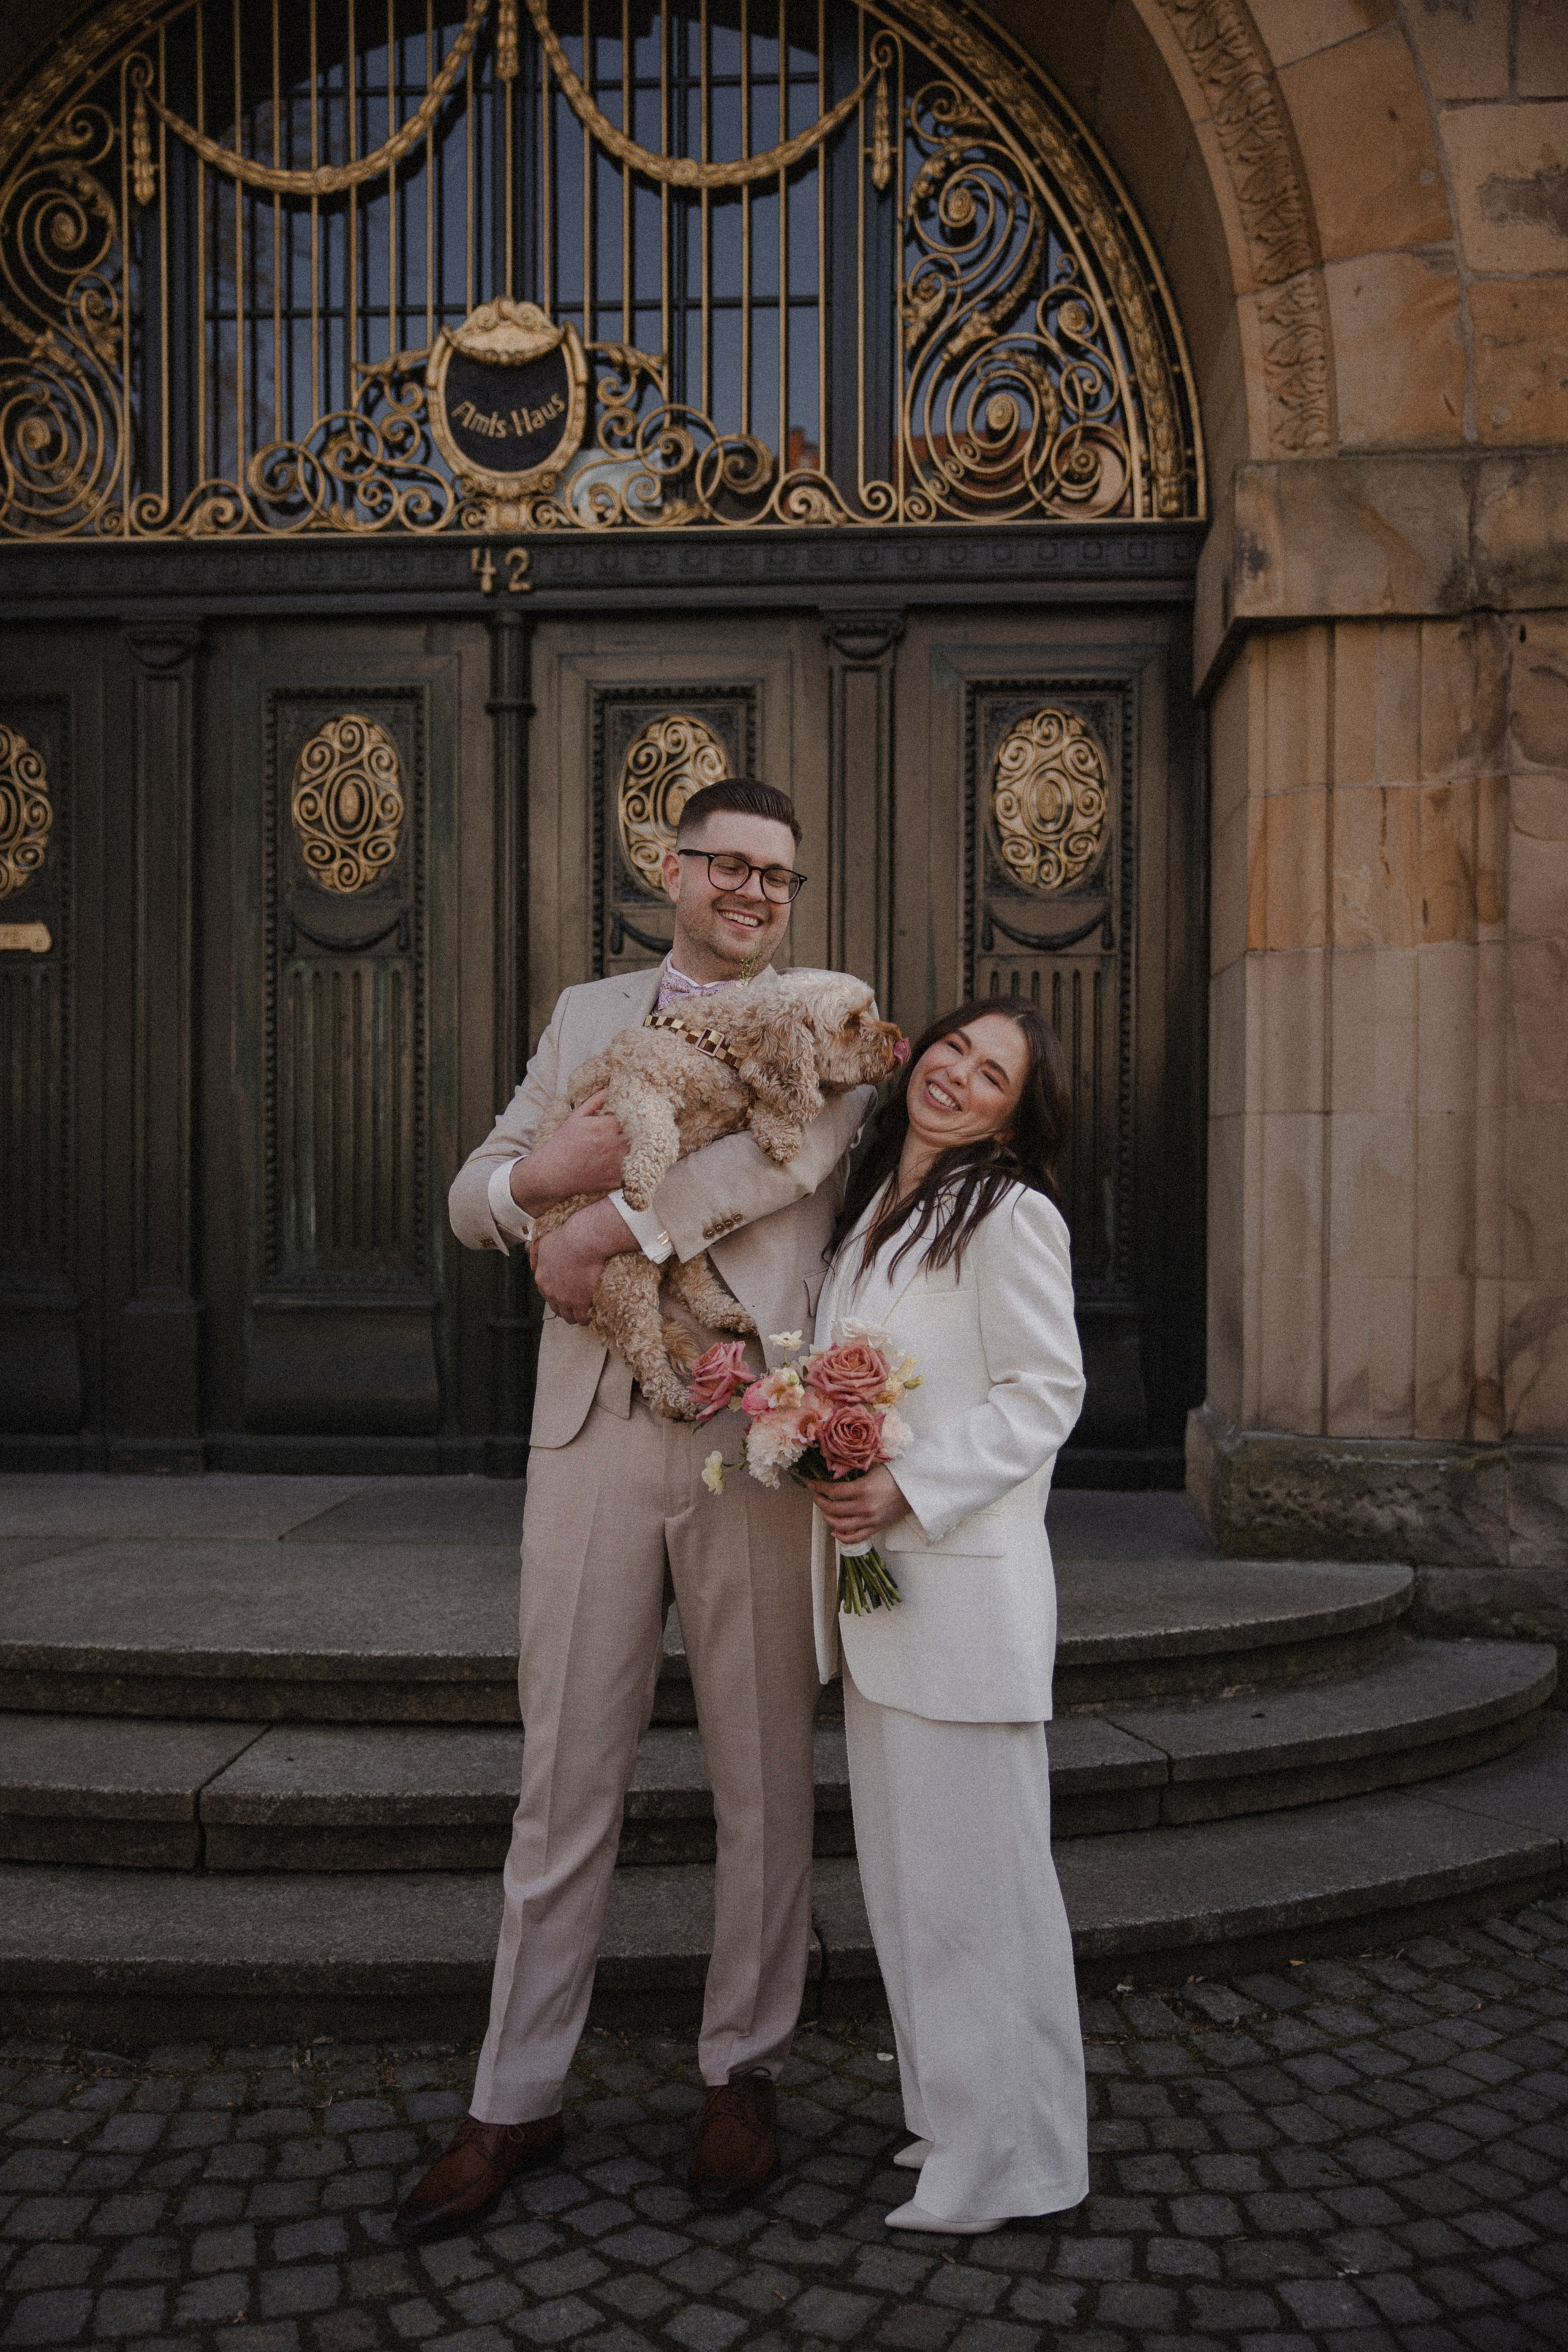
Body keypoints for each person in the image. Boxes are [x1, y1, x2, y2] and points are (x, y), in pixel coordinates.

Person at [394, 781, 879, 2244]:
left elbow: (780, 1161)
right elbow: (474, 1191)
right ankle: (514, 2094)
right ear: (672, 870)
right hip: (589, 1433)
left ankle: (744, 2071)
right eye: (728, 864)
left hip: (752, 1431)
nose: (753, 891)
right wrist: (534, 1186)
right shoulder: (583, 1012)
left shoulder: (832, 1017)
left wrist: (601, 1222)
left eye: (776, 874)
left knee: (761, 1780)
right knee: (563, 1777)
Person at [807, 999, 1088, 2234]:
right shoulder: (874, 1207)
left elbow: (1044, 1394)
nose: (958, 1077)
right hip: (882, 1609)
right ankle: (951, 2125)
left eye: (992, 1076)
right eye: (953, 1050)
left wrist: (904, 1486)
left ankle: (1015, 2163)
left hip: (963, 1600)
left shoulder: (1010, 1214)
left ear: (1013, 1118)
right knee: (911, 1894)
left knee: (984, 1901)